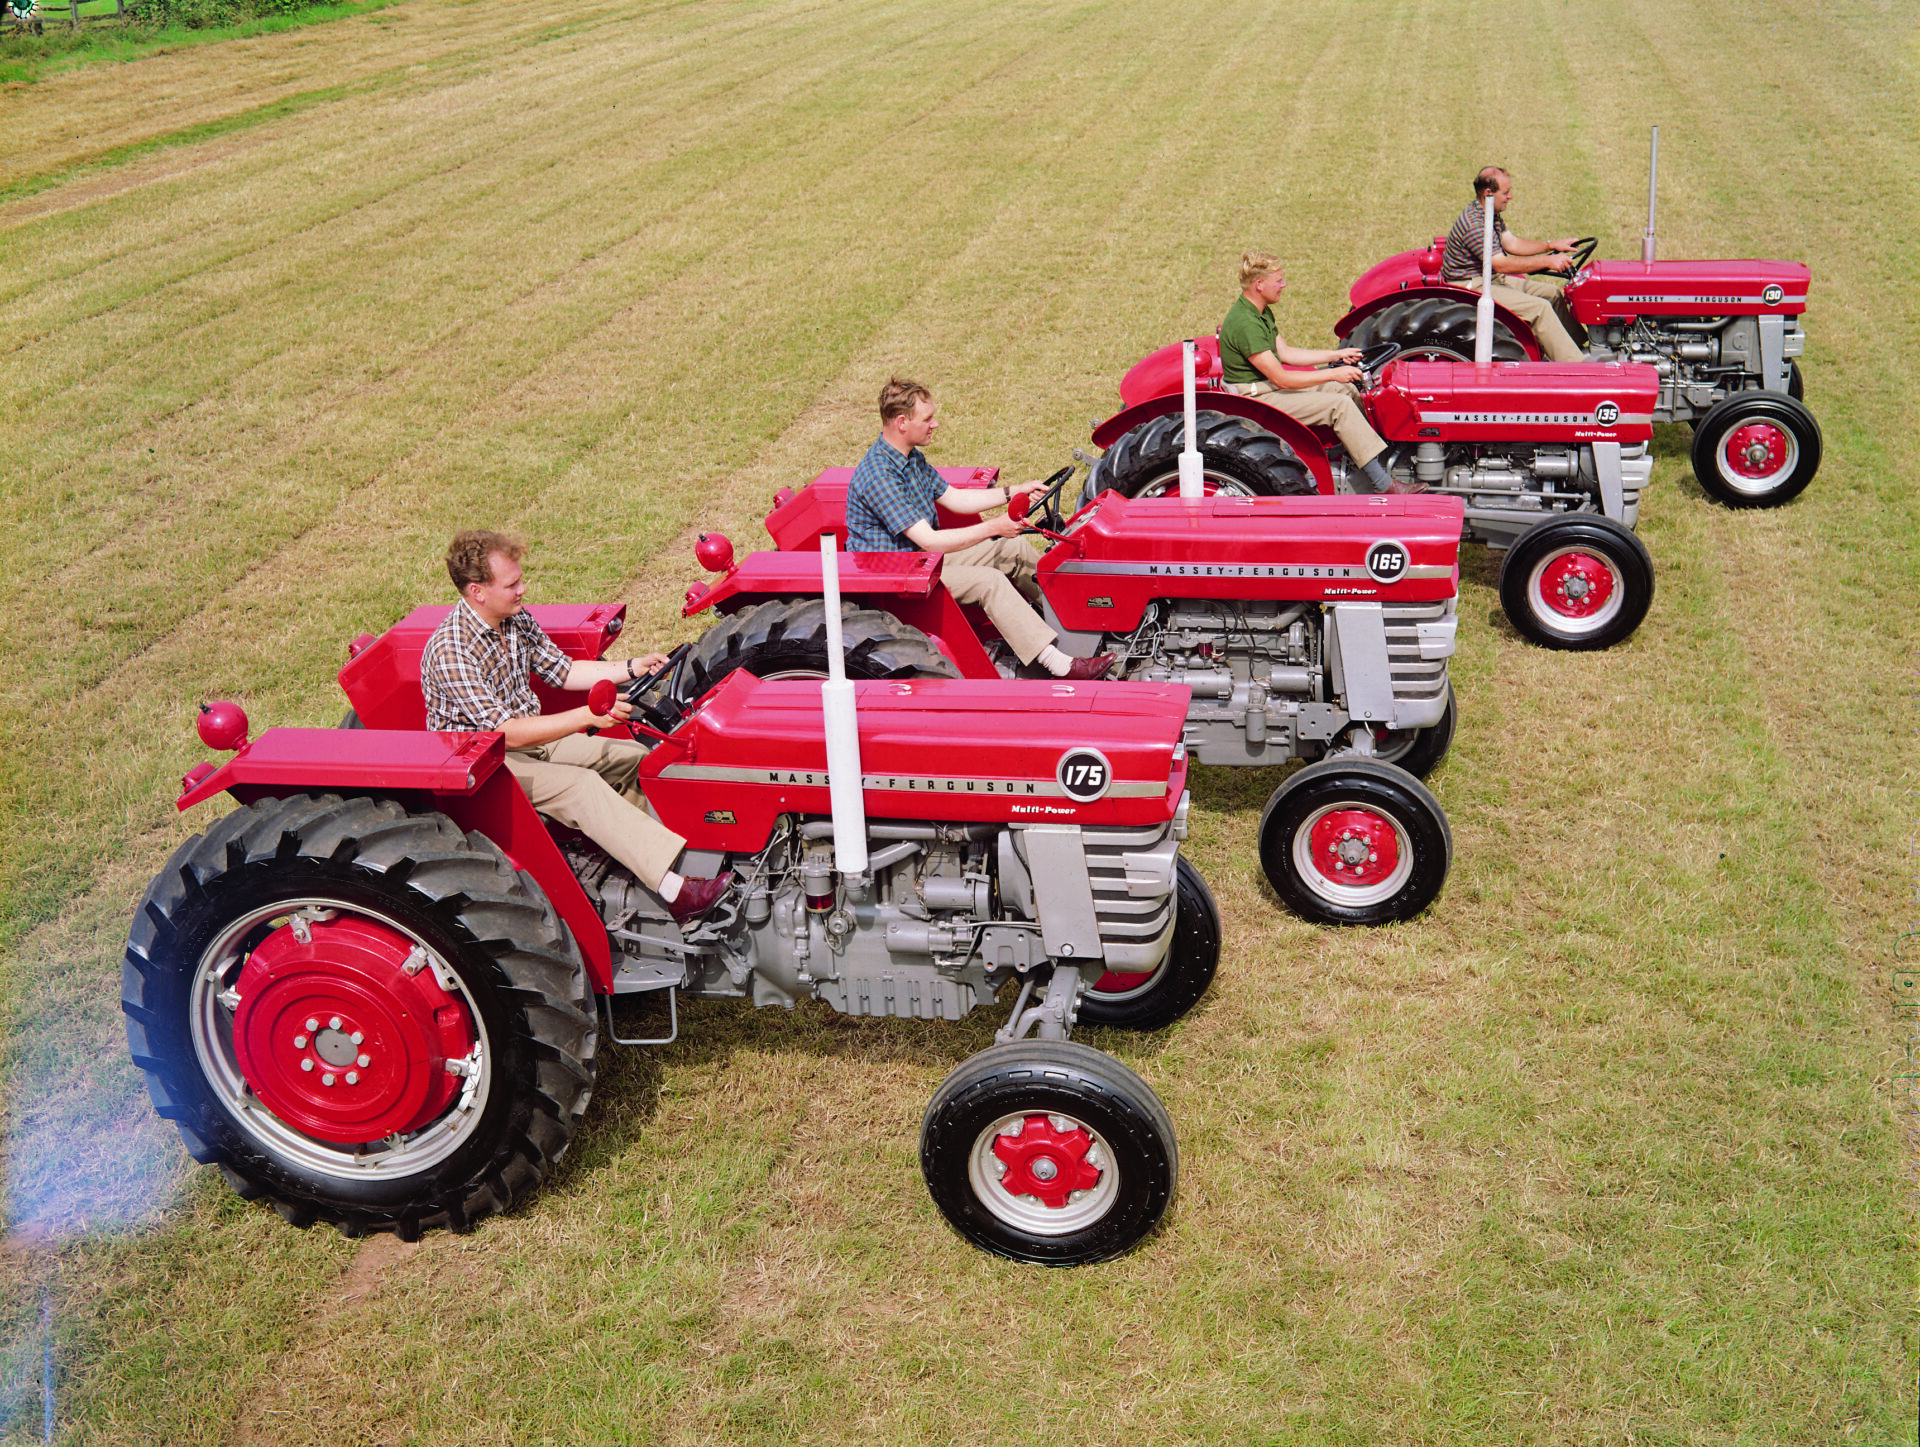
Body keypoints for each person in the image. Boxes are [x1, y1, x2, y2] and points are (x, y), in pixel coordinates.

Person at [420, 530, 732, 924]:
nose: (523, 589)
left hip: (530, 739)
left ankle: (684, 858)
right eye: (512, 583)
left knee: (635, 757)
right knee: (581, 787)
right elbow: (506, 733)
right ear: (477, 591)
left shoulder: (513, 620)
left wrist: (633, 666)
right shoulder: (452, 650)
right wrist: (586, 717)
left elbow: (562, 670)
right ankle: (678, 895)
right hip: (484, 765)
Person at [844, 378, 1115, 680]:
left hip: (921, 560)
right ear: (902, 422)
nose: (935, 424)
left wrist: (1015, 491)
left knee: (1015, 550)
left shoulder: (910, 459)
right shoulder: (880, 474)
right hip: (898, 575)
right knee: (989, 582)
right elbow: (929, 541)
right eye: (927, 419)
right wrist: (993, 527)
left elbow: (956, 499)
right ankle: (1060, 665)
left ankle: (1085, 621)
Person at [1218, 253, 1421, 495]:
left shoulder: (1259, 312)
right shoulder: (1245, 323)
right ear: (1259, 285)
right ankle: (1383, 484)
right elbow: (1281, 378)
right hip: (1256, 399)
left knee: (1345, 389)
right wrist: (1332, 374)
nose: (1283, 285)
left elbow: (1286, 353)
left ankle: (1364, 456)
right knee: (1340, 405)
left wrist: (1336, 356)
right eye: (1278, 280)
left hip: (1265, 388)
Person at [1439, 166, 1585, 362]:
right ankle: (1578, 366)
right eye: (1506, 193)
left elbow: (1512, 243)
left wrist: (1551, 245)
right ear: (1488, 193)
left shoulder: (1489, 212)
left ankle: (1581, 348)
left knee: (1552, 294)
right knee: (1539, 309)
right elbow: (1501, 265)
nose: (1510, 197)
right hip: (1471, 284)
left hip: (1488, 278)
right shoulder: (1475, 224)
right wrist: (1549, 261)